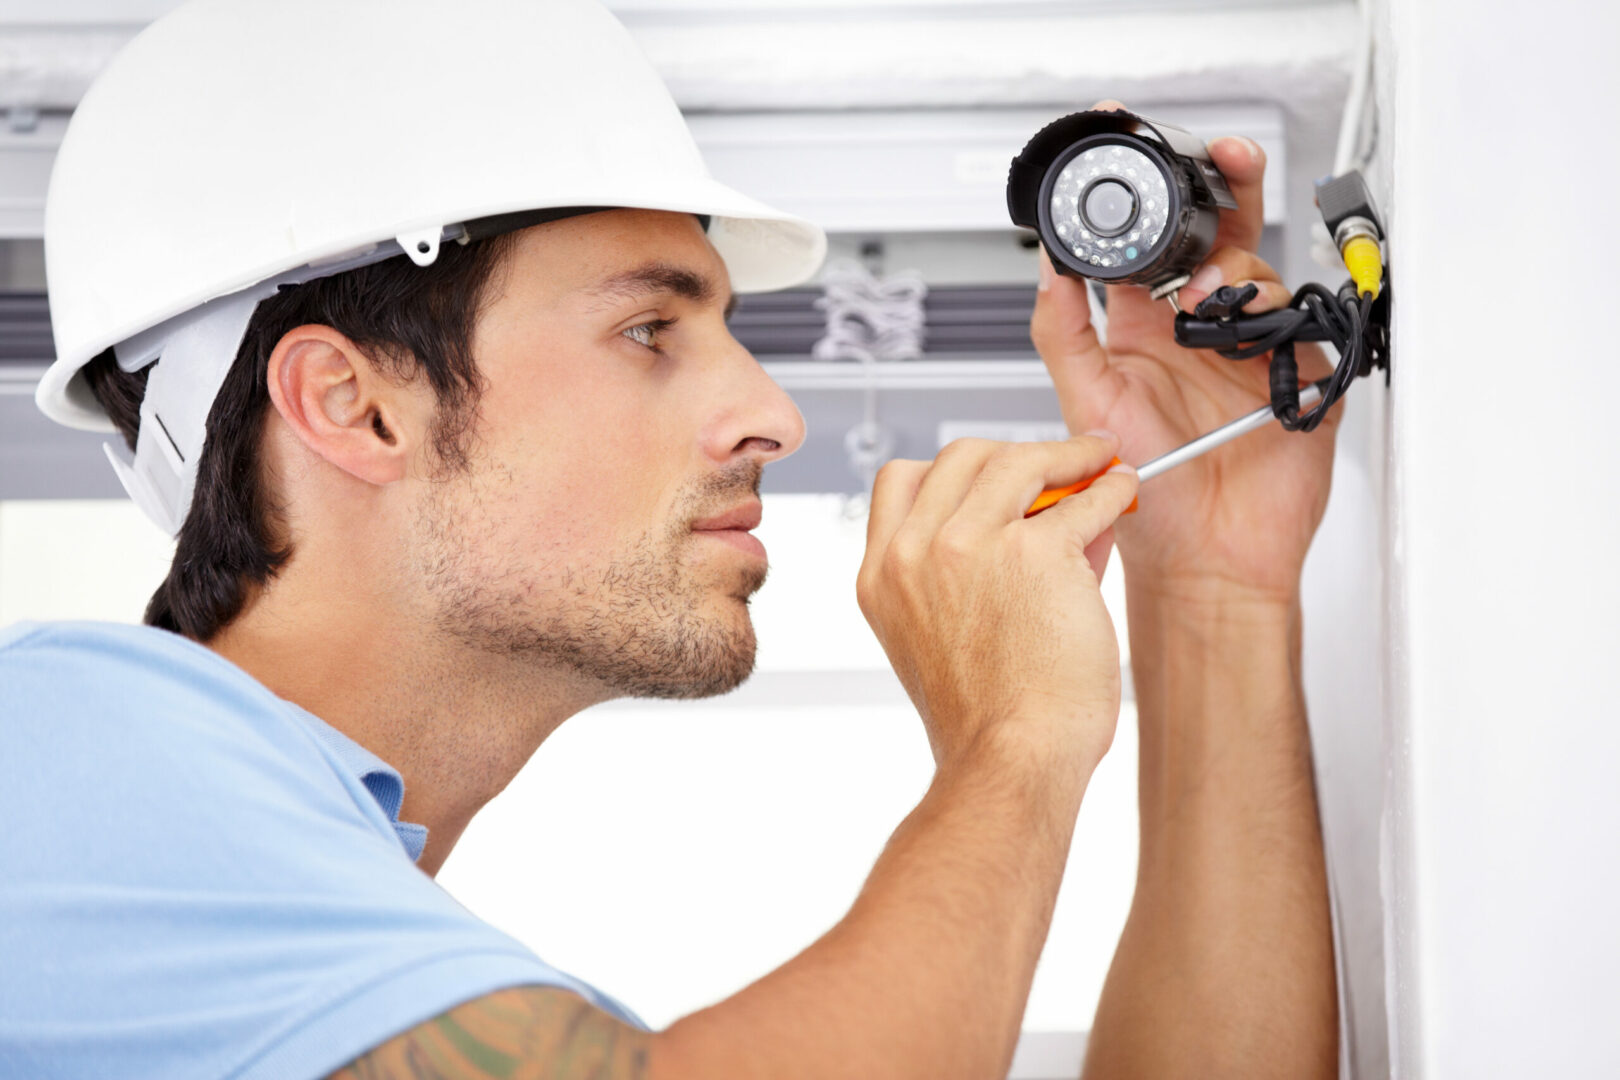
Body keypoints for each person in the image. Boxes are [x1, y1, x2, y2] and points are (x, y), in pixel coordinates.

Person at [0, 1, 1337, 1076]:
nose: (770, 413)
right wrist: (1012, 742)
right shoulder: (55, 756)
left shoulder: (278, 936)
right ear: (353, 405)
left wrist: (1213, 590)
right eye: (651, 330)